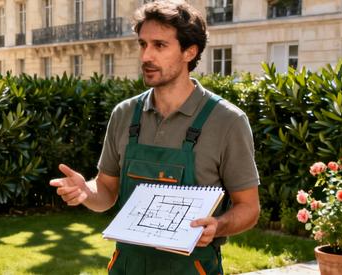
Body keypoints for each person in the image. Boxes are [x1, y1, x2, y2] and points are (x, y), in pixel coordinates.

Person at [49, 1, 260, 274]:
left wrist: (219, 226)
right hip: (127, 266)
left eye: (159, 45)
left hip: (191, 267)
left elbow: (249, 208)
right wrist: (86, 191)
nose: (146, 56)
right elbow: (107, 191)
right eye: (142, 44)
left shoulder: (228, 121)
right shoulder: (124, 114)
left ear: (189, 52)